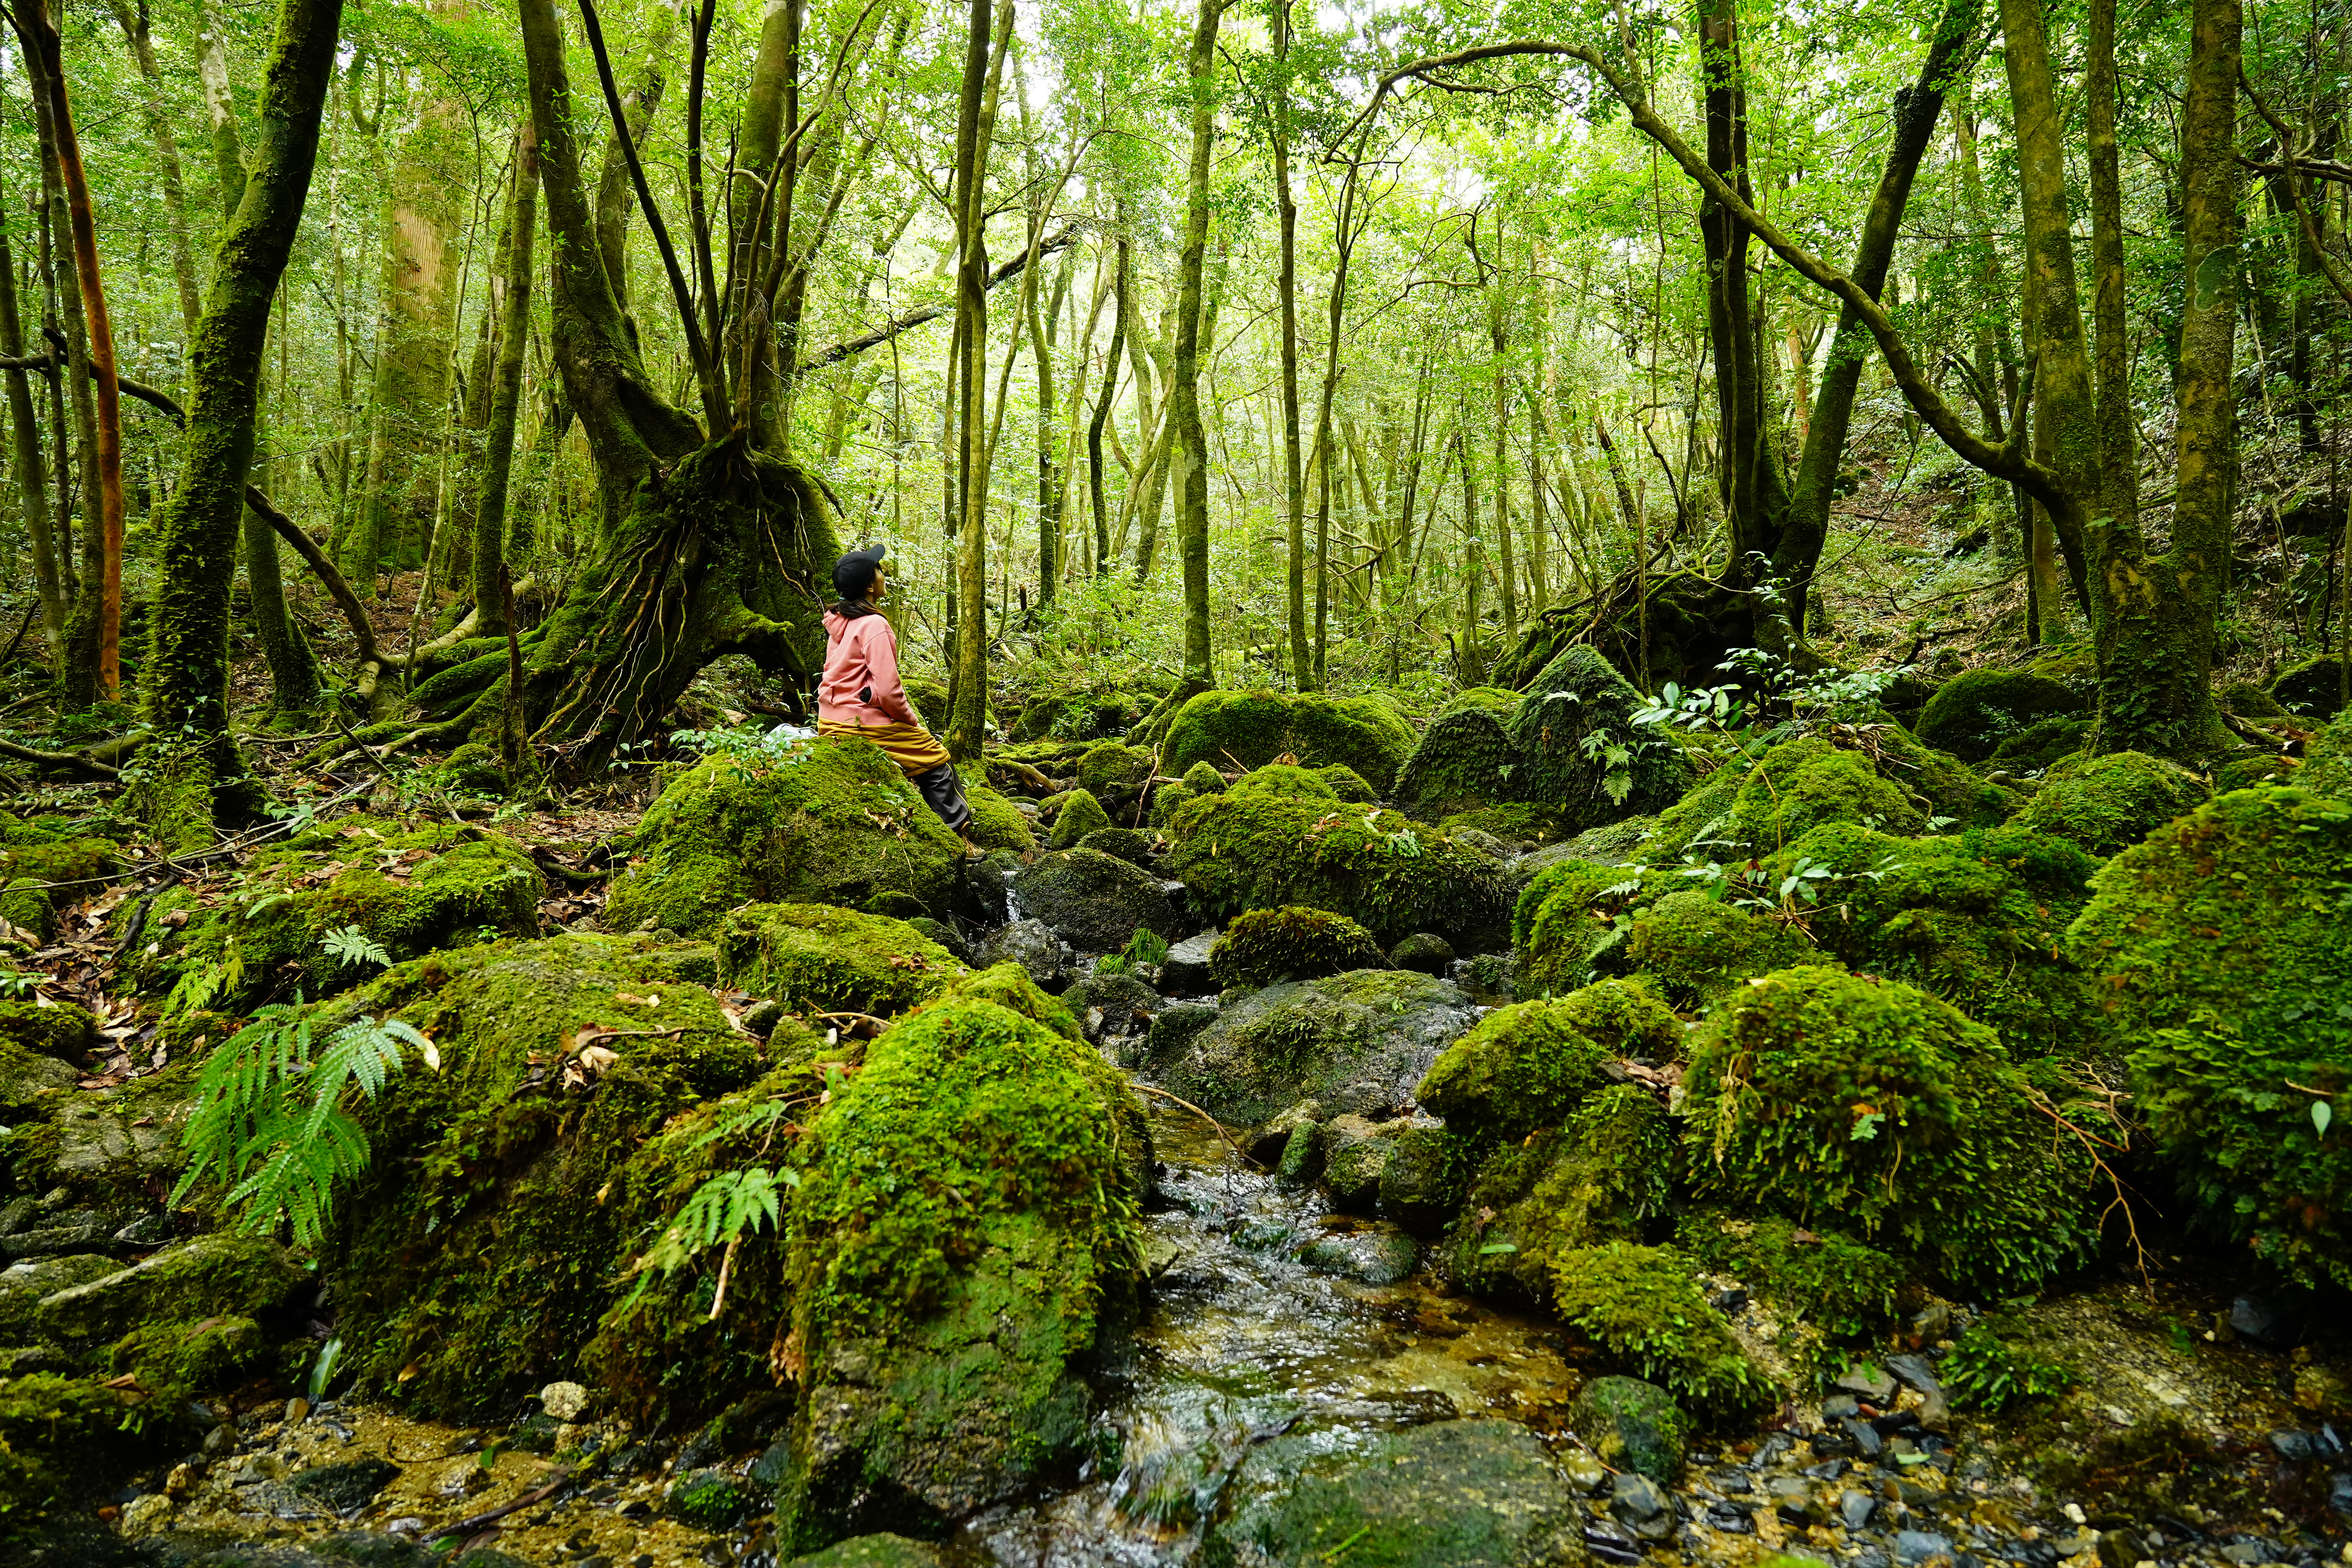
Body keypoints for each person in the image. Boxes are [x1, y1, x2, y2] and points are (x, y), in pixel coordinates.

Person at [817, 544, 980, 848]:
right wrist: (912, 722)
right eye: (879, 570)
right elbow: (890, 691)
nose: (884, 573)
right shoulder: (875, 624)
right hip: (860, 723)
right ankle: (958, 840)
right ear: (868, 585)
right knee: (938, 760)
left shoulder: (838, 622)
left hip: (829, 720)